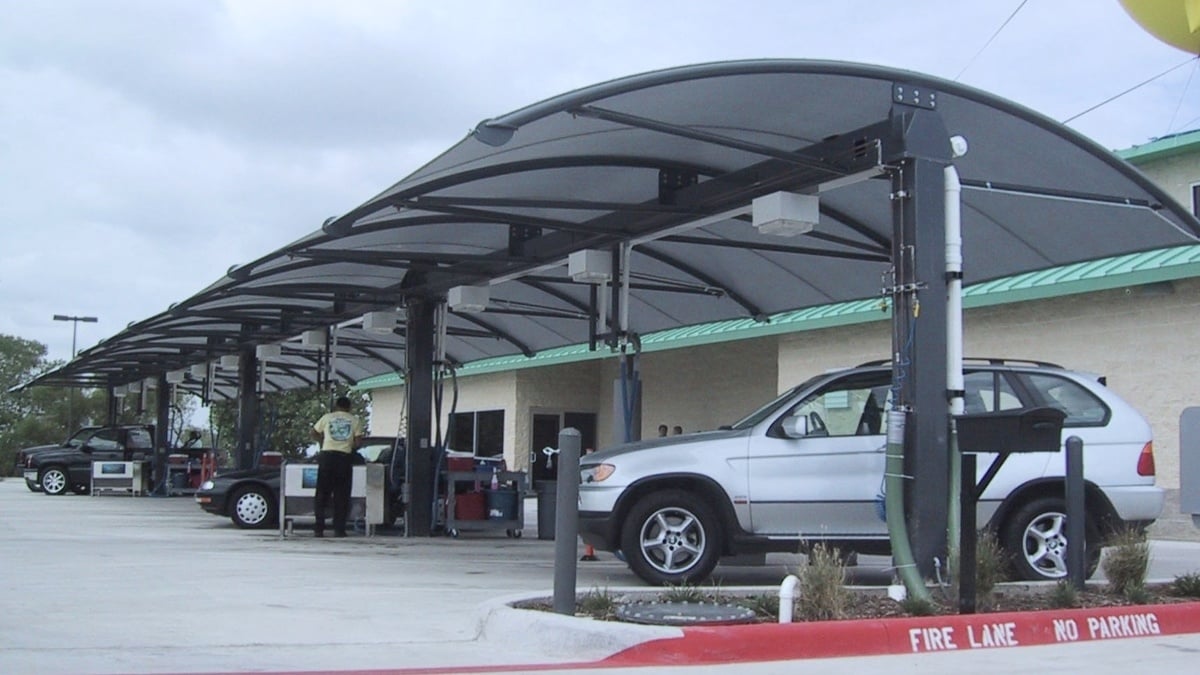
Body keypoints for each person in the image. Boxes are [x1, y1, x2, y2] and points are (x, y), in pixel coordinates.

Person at [310, 395, 364, 538]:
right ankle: (339, 529)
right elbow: (358, 443)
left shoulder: (327, 417)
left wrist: (323, 442)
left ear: (336, 406)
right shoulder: (355, 420)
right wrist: (350, 445)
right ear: (349, 407)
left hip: (326, 457)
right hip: (344, 459)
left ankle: (318, 528)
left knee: (322, 494)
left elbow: (313, 432)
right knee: (342, 495)